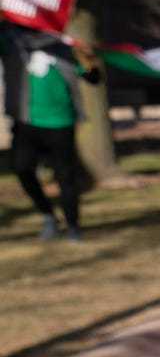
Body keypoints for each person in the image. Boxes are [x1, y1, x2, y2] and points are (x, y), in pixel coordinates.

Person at [11, 35, 97, 241]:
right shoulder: (14, 46)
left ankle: (73, 226)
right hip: (27, 123)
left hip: (61, 124)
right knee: (22, 168)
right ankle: (48, 214)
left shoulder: (65, 50)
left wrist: (87, 58)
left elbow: (94, 78)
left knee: (65, 177)